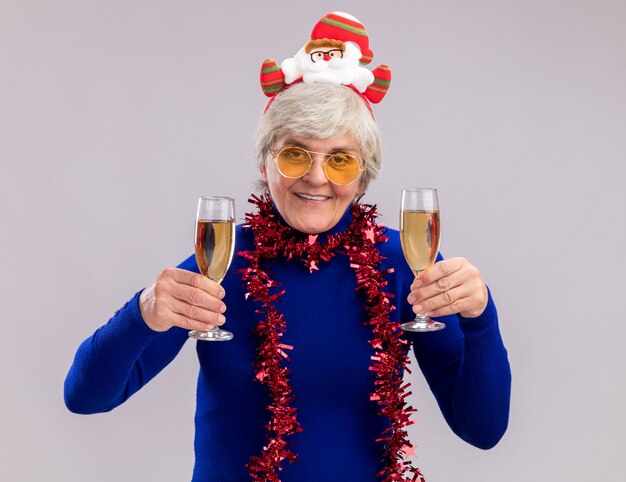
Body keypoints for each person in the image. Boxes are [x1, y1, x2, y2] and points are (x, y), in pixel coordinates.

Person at [64, 11, 511, 482]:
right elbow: (85, 395)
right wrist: (143, 312)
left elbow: (482, 429)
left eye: (340, 160)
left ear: (363, 175)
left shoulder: (402, 264)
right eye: (295, 154)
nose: (316, 178)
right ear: (266, 162)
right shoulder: (220, 264)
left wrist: (481, 317)